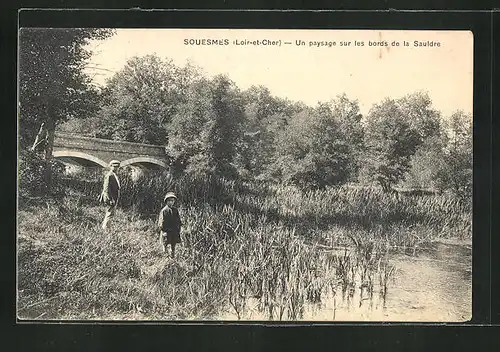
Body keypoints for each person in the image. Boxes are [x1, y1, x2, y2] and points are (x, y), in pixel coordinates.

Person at [158, 192, 182, 258]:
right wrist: (163, 230)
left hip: (174, 231)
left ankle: (172, 257)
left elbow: (178, 220)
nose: (171, 202)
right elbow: (161, 222)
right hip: (166, 231)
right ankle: (165, 258)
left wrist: (178, 227)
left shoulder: (175, 210)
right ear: (166, 201)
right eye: (169, 201)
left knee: (173, 245)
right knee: (165, 244)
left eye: (172, 201)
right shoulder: (164, 211)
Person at [98, 160, 121, 230]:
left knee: (111, 213)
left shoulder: (113, 175)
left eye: (117, 167)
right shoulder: (109, 175)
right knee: (109, 213)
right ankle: (105, 228)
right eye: (114, 167)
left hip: (114, 197)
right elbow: (106, 188)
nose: (116, 168)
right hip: (111, 198)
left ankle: (107, 227)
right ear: (110, 166)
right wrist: (110, 199)